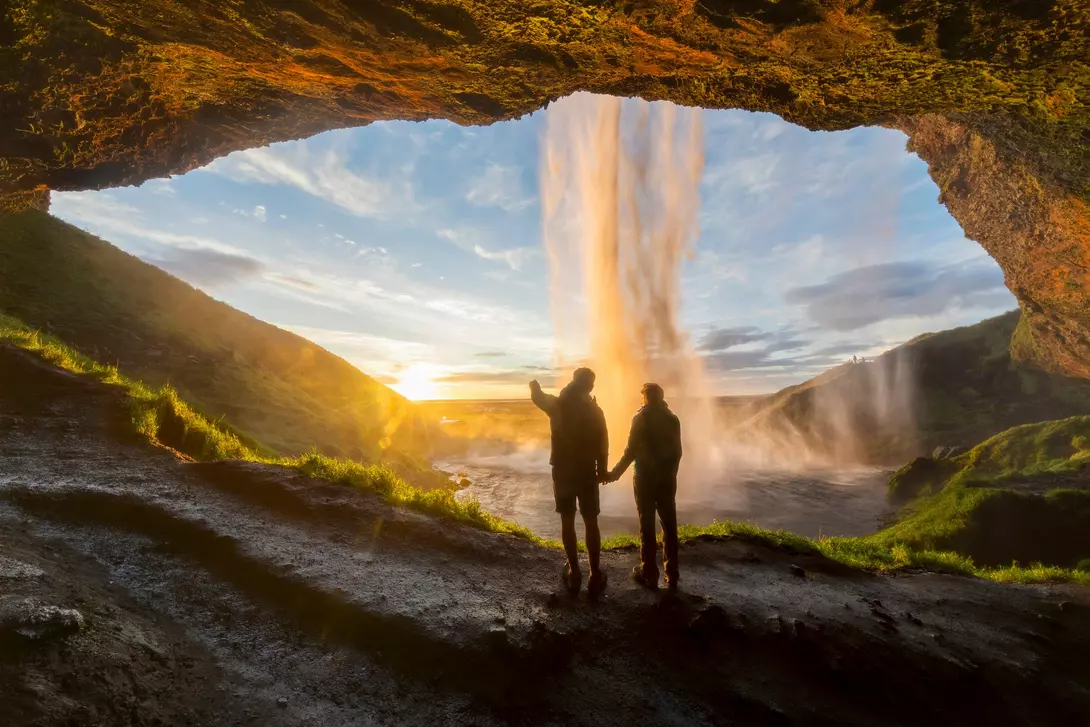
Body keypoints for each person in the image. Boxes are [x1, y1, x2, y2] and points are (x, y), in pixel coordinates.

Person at [530, 368, 609, 596]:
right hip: (587, 472)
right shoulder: (595, 410)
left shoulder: (559, 405)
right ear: (590, 386)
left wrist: (534, 387)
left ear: (573, 381)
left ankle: (574, 572)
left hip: (563, 470)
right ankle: (595, 575)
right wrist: (602, 470)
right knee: (591, 521)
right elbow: (603, 442)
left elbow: (538, 398)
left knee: (567, 519)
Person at [606, 383, 682, 591]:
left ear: (646, 398)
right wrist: (671, 474)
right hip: (667, 479)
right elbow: (678, 452)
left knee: (646, 523)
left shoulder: (640, 418)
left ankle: (649, 574)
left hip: (644, 477)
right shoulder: (672, 418)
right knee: (669, 524)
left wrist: (614, 474)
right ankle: (672, 574)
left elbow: (631, 450)